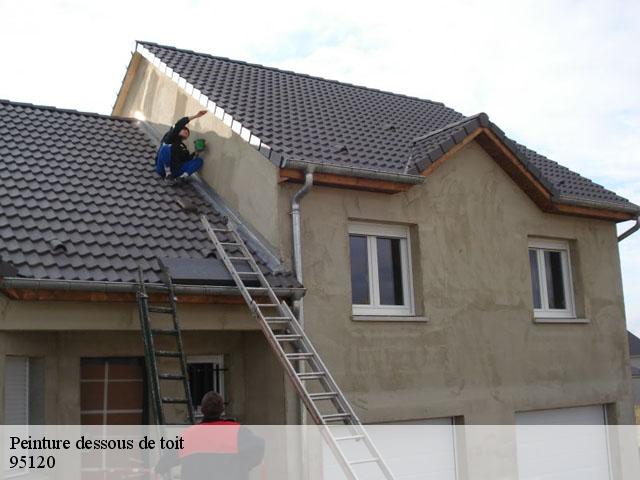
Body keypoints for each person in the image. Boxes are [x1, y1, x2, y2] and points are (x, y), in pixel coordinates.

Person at [154, 391, 265, 480]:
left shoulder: (188, 435)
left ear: (202, 410)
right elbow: (258, 448)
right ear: (222, 410)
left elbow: (165, 462)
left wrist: (157, 469)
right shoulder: (238, 432)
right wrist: (240, 468)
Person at [155, 110, 208, 182]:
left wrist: (196, 152)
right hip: (162, 168)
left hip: (175, 170)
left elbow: (187, 159)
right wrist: (196, 116)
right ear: (178, 130)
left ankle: (182, 177)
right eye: (184, 130)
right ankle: (168, 174)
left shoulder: (183, 148)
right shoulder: (169, 137)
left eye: (188, 133)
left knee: (199, 161)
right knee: (166, 147)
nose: (186, 132)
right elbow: (179, 124)